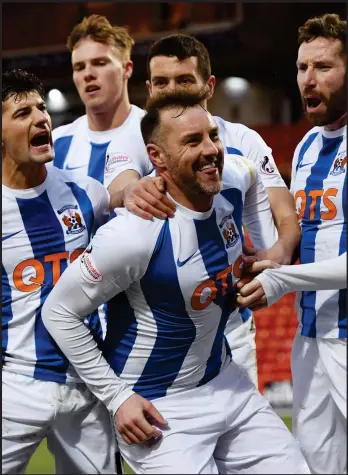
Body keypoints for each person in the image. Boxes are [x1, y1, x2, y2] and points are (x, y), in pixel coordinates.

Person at [42, 90, 310, 474]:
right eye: (191, 141)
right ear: (157, 158)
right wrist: (117, 398)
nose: (211, 150)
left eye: (213, 136)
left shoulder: (232, 176)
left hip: (225, 381)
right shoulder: (133, 234)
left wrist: (267, 255)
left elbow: (255, 179)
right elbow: (59, 312)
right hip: (160, 407)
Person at [138, 33, 301, 387]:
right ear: (149, 88)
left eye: (184, 80)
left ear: (209, 86)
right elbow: (117, 190)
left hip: (231, 324)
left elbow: (283, 212)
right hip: (161, 329)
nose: (172, 91)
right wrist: (130, 191)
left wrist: (276, 255)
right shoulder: (137, 143)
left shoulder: (242, 141)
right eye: (162, 83)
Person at [237, 13, 347, 475]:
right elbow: (298, 236)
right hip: (310, 339)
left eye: (323, 67)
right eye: (302, 68)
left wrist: (283, 278)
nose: (308, 79)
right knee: (318, 466)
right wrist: (268, 258)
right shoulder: (303, 148)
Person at [2, 69, 116, 474]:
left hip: (85, 387)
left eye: (41, 108)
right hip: (14, 384)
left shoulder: (87, 193)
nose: (40, 118)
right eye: (21, 112)